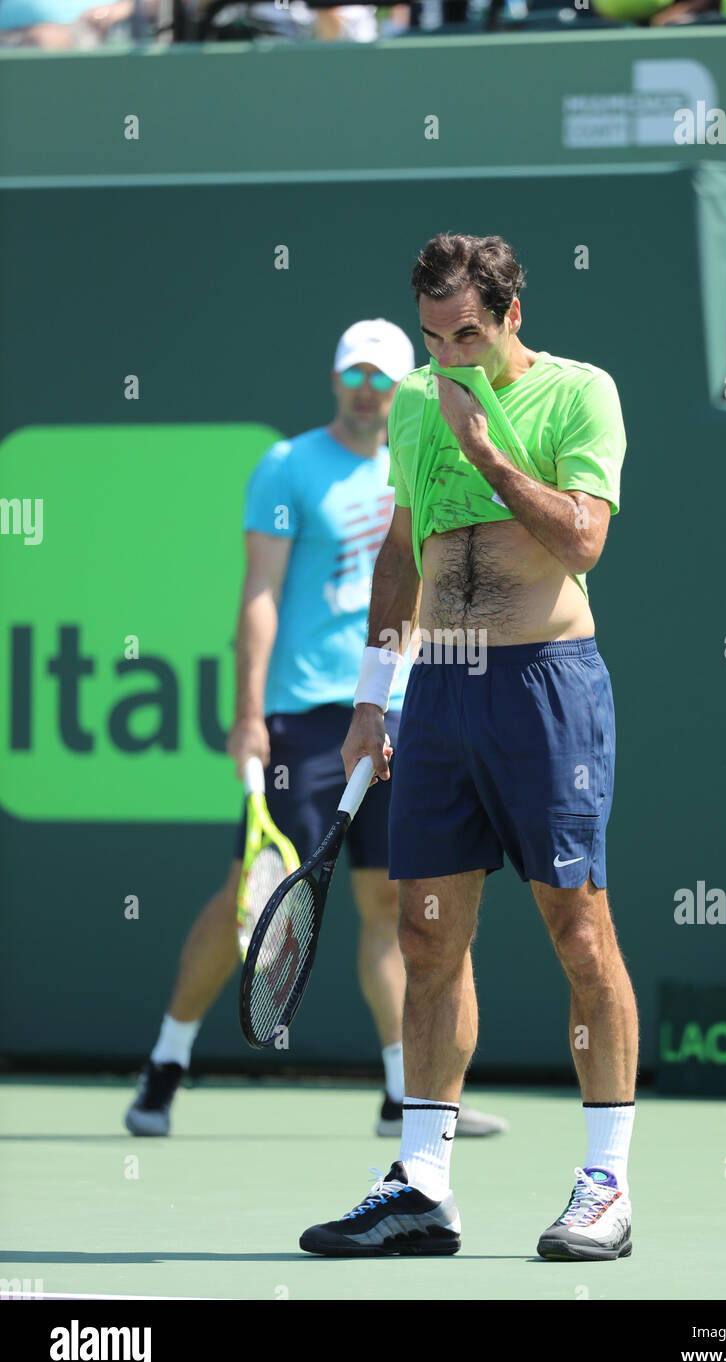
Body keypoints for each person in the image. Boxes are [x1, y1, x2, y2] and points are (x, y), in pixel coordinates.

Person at [299, 234, 637, 1261]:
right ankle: (420, 1184)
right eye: (432, 339)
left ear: (511, 317)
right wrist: (371, 696)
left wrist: (487, 446)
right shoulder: (410, 402)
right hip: (437, 694)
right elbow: (403, 552)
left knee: (577, 934)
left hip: (546, 687)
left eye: (468, 337)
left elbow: (581, 541)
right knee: (426, 936)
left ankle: (605, 1184)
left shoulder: (580, 393)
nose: (448, 357)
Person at [124, 317, 507, 1142]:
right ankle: (167, 1061)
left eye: (383, 376)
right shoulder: (289, 466)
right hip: (306, 718)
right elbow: (259, 591)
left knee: (394, 907)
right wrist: (248, 712)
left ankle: (406, 1093)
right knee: (252, 898)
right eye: (354, 374)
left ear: (406, 387)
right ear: (338, 380)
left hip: (406, 708)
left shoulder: (431, 466)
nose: (366, 388)